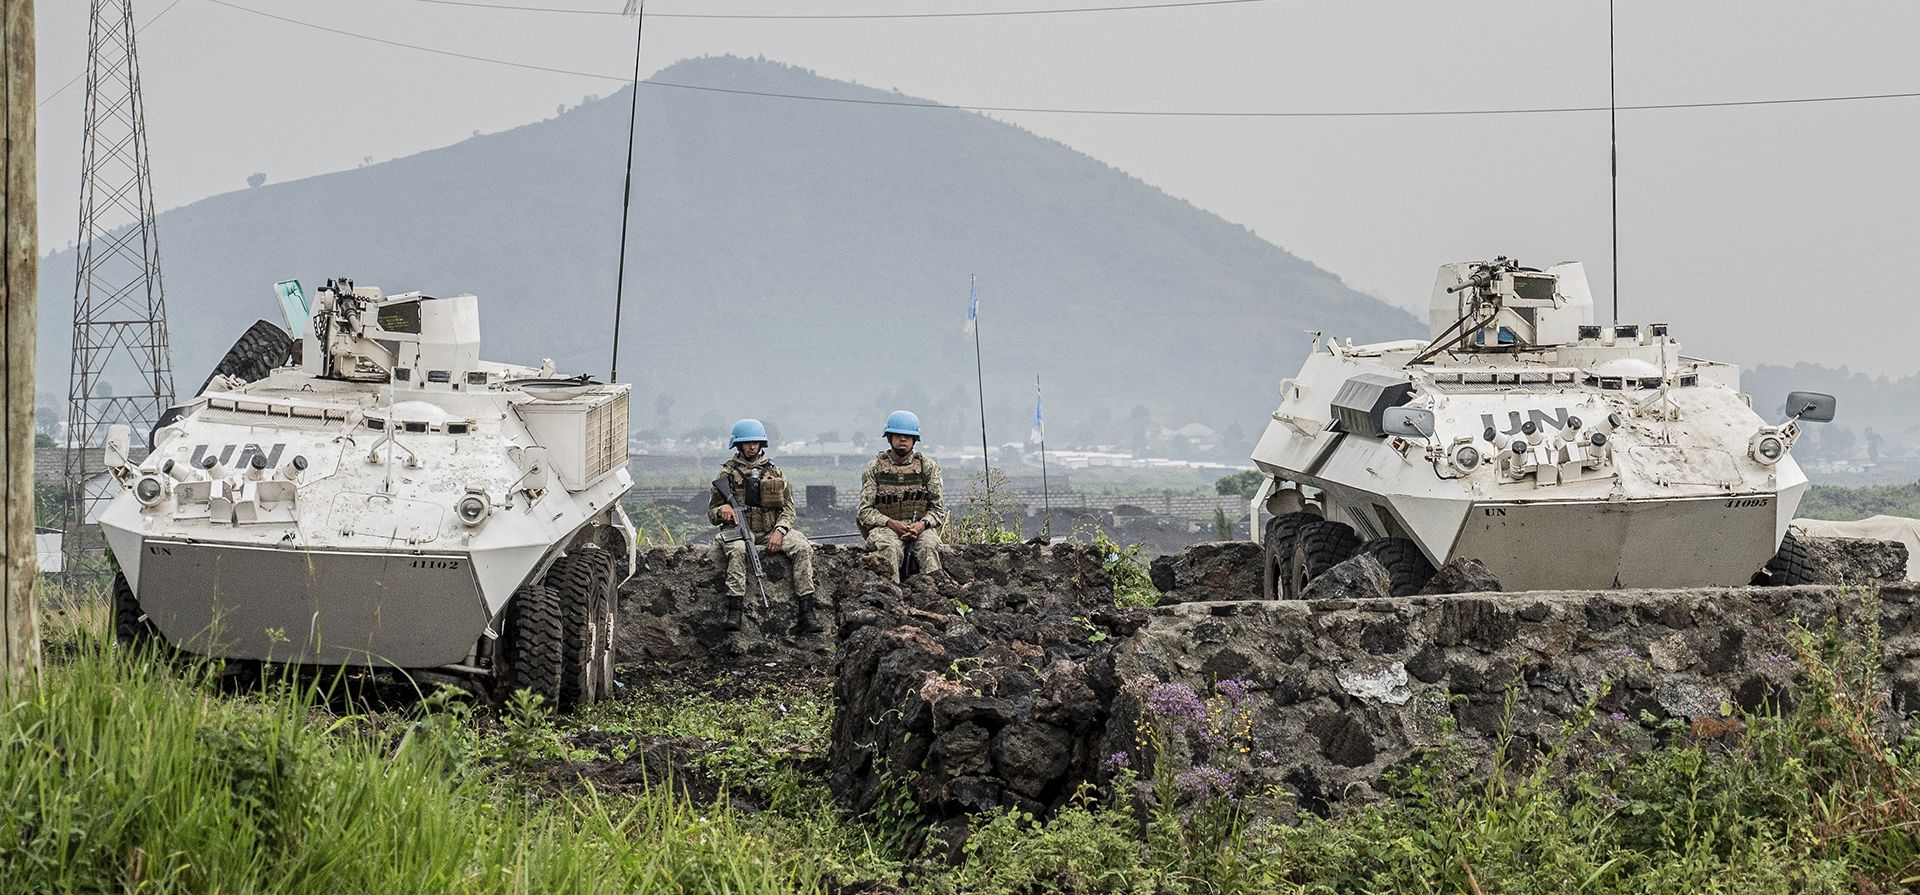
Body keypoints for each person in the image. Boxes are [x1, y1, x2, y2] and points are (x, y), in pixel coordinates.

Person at [708, 419, 819, 634]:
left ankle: (807, 612)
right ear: (738, 445)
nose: (752, 447)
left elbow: (789, 507)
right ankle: (734, 611)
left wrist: (780, 530)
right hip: (739, 531)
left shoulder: (774, 471)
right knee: (738, 551)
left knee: (803, 547)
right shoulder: (726, 474)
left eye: (756, 442)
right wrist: (723, 511)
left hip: (771, 528)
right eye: (747, 443)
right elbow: (711, 513)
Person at [857, 410, 947, 583]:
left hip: (920, 528)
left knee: (929, 547)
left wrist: (921, 525)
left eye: (907, 436)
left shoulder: (927, 467)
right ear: (889, 438)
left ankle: (934, 593)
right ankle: (890, 594)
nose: (903, 439)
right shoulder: (875, 467)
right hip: (885, 529)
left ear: (914, 440)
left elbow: (937, 509)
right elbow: (865, 511)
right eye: (897, 435)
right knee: (889, 548)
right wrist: (891, 523)